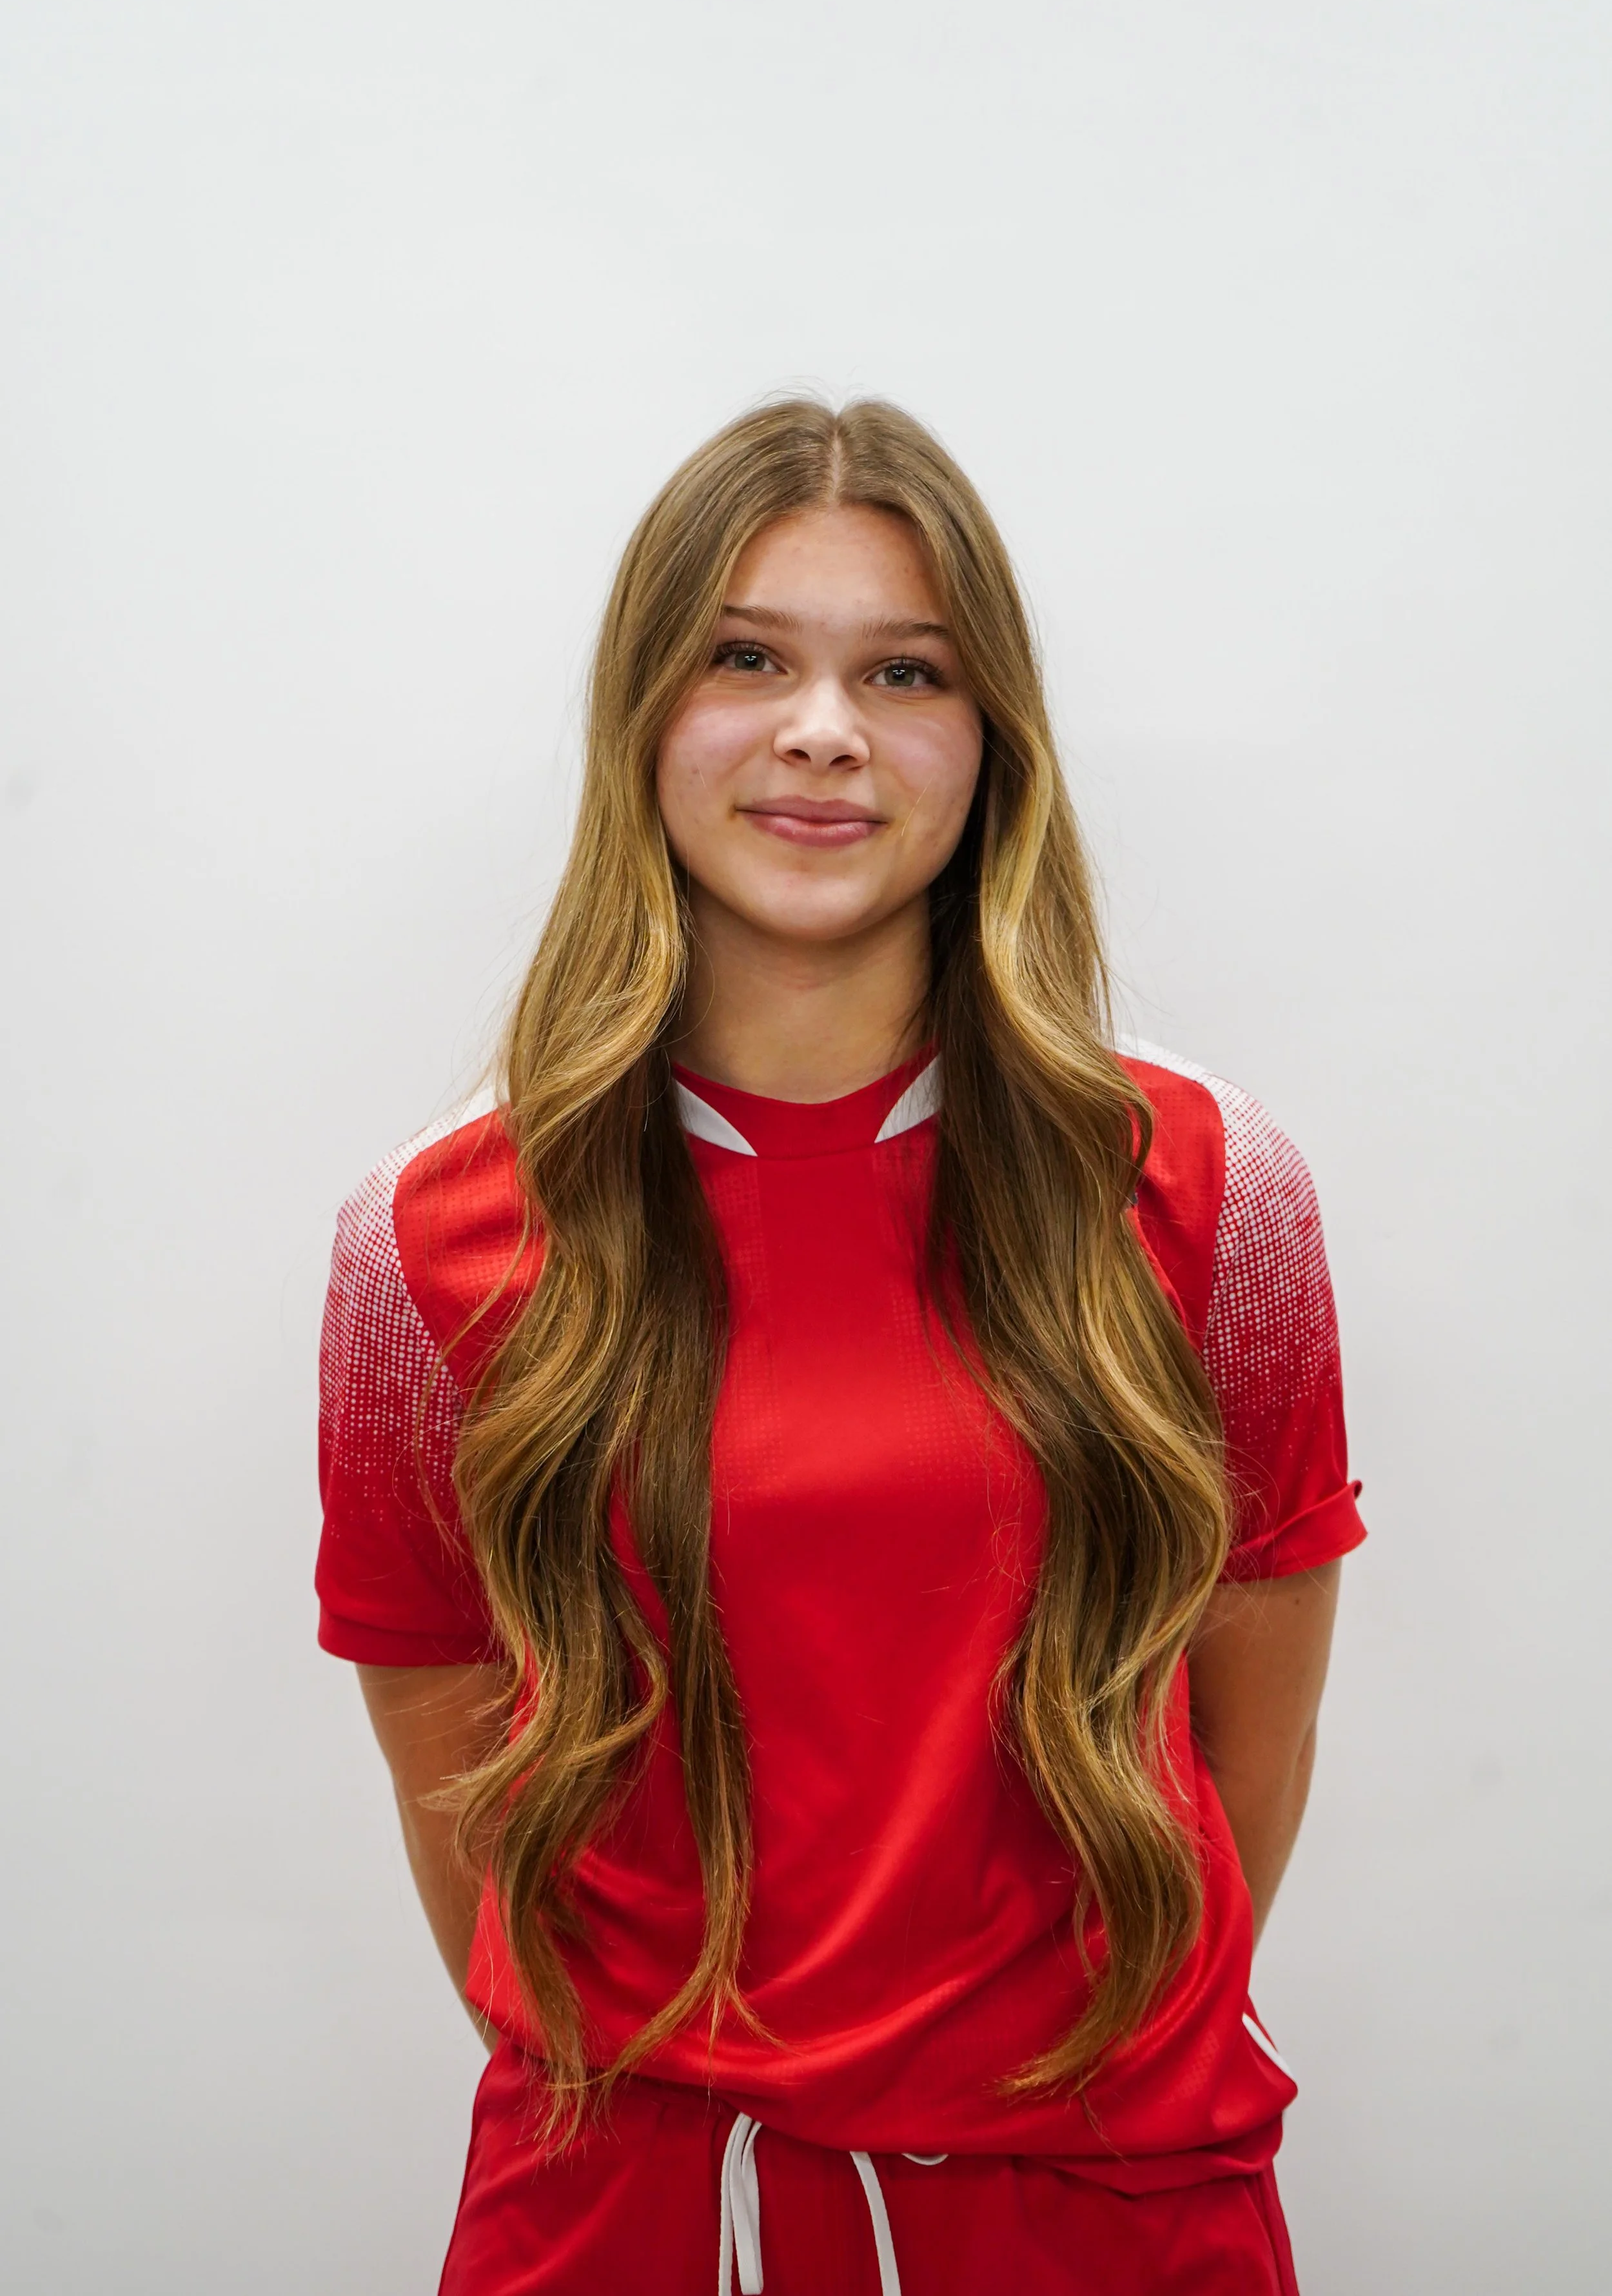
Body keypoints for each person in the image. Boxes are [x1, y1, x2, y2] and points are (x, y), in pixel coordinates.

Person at [315, 397, 1364, 2294]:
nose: (822, 729)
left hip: (1108, 2206)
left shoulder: (1206, 1191)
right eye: (745, 657)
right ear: (643, 715)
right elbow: (456, 1783)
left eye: (904, 670)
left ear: (990, 745)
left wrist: (1044, 2059)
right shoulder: (429, 1240)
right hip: (632, 2210)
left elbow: (1246, 1743)